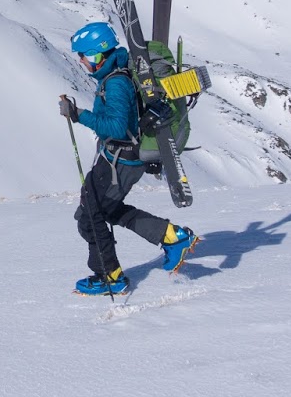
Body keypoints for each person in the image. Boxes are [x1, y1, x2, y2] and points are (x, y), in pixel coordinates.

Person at [59, 21, 197, 295]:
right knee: (103, 210)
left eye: (83, 55)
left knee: (91, 217)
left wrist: (79, 115)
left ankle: (110, 276)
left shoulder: (117, 83)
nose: (81, 61)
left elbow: (117, 127)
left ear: (97, 55)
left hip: (120, 162)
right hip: (118, 160)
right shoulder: (116, 75)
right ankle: (171, 236)